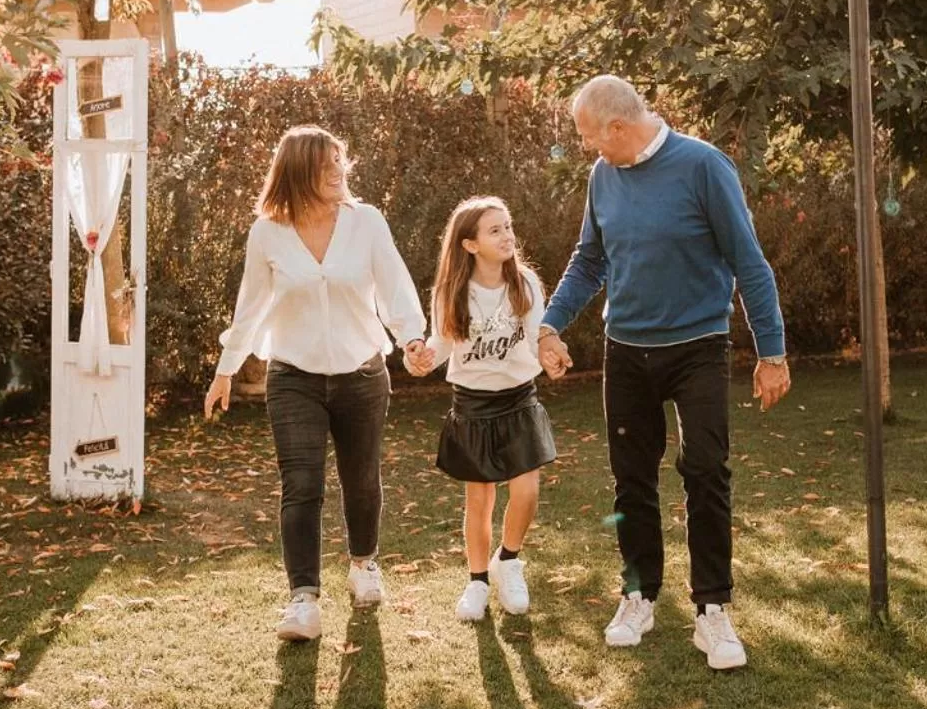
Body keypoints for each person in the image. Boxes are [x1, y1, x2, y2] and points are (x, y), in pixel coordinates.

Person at [537, 76, 790, 671]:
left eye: (590, 135)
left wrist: (772, 352)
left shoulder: (703, 166)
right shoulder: (603, 176)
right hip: (627, 351)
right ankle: (639, 595)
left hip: (698, 346)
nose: (587, 147)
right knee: (631, 478)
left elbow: (748, 260)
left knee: (705, 470)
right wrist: (550, 324)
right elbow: (590, 260)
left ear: (618, 127)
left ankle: (712, 609)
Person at [203, 125, 435, 642]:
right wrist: (226, 368)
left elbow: (395, 287)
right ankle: (303, 600)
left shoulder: (366, 222)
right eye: (326, 163)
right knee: (302, 484)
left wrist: (412, 339)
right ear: (299, 170)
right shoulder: (268, 232)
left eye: (339, 160)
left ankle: (364, 564)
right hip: (294, 378)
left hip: (362, 375)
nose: (338, 170)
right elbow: (250, 305)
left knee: (362, 479)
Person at [411, 196, 558, 622]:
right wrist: (420, 359)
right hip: (472, 403)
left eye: (508, 226)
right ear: (470, 244)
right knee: (480, 499)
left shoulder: (525, 283)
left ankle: (508, 561)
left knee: (526, 492)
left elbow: (536, 336)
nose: (507, 235)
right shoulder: (451, 291)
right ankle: (477, 581)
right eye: (495, 230)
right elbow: (441, 344)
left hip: (519, 399)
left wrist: (549, 355)